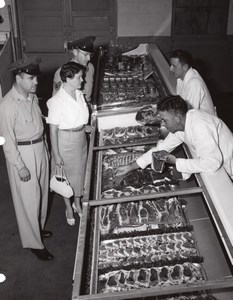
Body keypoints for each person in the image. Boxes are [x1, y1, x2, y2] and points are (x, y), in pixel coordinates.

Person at [0, 55, 54, 261]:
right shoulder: (7, 105)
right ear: (19, 78)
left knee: (41, 196)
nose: (36, 82)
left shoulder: (31, 97)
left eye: (36, 78)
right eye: (31, 79)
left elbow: (39, 126)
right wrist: (19, 166)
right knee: (28, 200)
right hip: (23, 154)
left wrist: (47, 151)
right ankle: (33, 243)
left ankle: (37, 229)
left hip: (40, 148)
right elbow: (7, 140)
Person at [116, 95, 233, 181]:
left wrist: (176, 161)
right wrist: (131, 166)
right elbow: (161, 149)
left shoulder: (200, 126)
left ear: (177, 117)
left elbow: (212, 163)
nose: (163, 124)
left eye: (165, 120)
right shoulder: (182, 124)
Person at [47, 62, 94, 225]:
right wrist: (56, 154)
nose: (83, 80)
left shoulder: (79, 94)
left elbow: (80, 115)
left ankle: (77, 203)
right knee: (65, 177)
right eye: (79, 77)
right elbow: (53, 131)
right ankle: (68, 206)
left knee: (80, 174)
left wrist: (83, 125)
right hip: (65, 142)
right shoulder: (56, 101)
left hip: (81, 139)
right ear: (67, 78)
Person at [170, 49, 215, 115]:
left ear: (185, 67)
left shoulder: (194, 82)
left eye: (174, 66)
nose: (170, 69)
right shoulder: (180, 78)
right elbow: (180, 104)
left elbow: (190, 113)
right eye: (170, 65)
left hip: (204, 122)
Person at [53, 36, 95, 105]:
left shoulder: (90, 67)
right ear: (75, 52)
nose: (89, 58)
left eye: (90, 55)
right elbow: (56, 101)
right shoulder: (62, 72)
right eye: (86, 54)